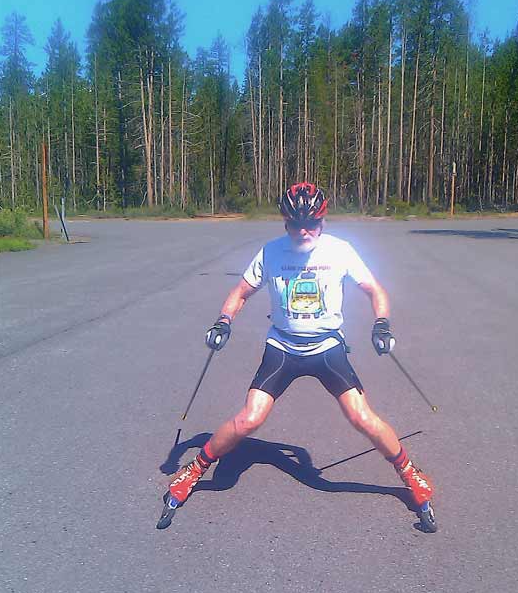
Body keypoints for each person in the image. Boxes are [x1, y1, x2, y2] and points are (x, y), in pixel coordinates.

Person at [165, 182, 436, 531]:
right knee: (250, 419)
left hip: (327, 347)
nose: (304, 231)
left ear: (323, 222)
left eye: (312, 223)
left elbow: (374, 290)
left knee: (361, 417)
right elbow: (241, 292)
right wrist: (223, 321)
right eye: (296, 224)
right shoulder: (271, 252)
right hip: (282, 346)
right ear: (285, 223)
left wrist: (382, 324)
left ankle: (410, 473)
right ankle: (194, 470)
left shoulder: (340, 251)